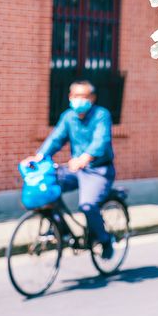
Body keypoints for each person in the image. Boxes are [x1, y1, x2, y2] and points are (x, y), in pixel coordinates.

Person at [26, 80, 116, 258]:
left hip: (97, 170)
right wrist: (39, 157)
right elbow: (56, 138)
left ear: (92, 98)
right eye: (75, 96)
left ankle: (104, 240)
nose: (79, 100)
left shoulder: (101, 115)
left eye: (83, 97)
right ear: (69, 97)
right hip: (76, 169)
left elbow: (101, 140)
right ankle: (62, 231)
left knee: (87, 206)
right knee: (49, 186)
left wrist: (85, 157)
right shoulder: (69, 117)